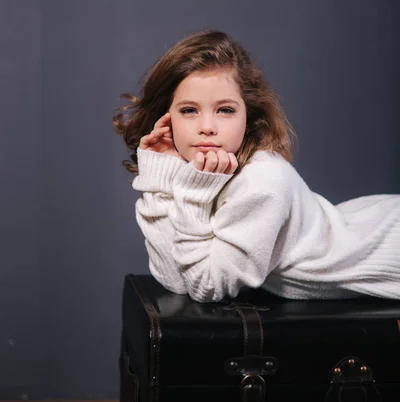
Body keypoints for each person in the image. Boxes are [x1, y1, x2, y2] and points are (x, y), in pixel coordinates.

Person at [113, 30, 400, 303]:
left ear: (248, 116)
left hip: (386, 247)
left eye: (225, 110)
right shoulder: (206, 172)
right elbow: (177, 282)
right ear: (167, 117)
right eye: (189, 110)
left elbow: (206, 287)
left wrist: (192, 196)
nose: (207, 127)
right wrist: (159, 180)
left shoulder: (263, 181)